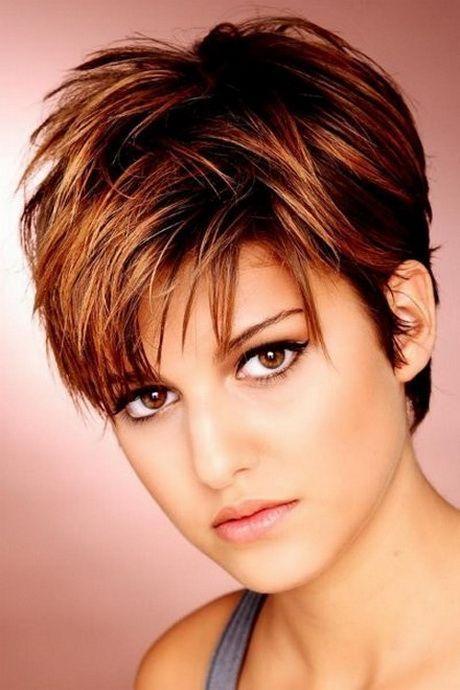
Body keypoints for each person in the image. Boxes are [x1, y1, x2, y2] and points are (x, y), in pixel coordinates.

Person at [18, 13, 460, 690]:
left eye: (267, 358)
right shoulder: (182, 673)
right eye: (149, 397)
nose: (214, 463)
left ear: (404, 323)